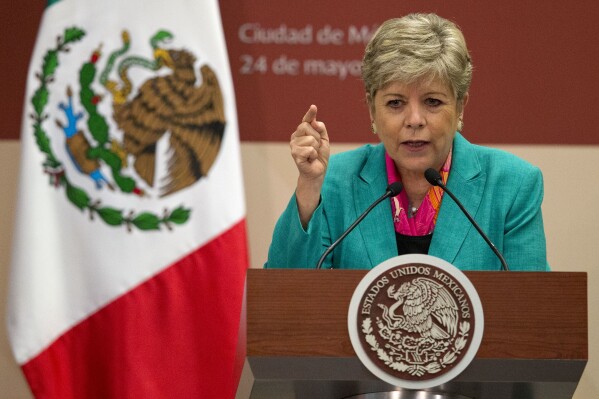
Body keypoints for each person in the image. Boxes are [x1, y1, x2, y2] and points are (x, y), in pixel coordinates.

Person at [265, 13, 549, 271]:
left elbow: (533, 309)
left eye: (432, 102)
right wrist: (310, 188)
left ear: (461, 106)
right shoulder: (335, 181)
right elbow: (284, 296)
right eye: (396, 103)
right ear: (372, 109)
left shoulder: (512, 186)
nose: (414, 120)